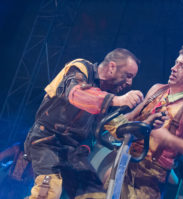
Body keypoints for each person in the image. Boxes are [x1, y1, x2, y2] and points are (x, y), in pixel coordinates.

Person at [24, 48, 149, 199]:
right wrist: (118, 100)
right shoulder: (81, 68)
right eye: (128, 76)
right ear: (112, 67)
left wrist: (145, 126)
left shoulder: (106, 94)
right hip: (47, 141)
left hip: (73, 151)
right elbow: (77, 94)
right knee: (48, 192)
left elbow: (114, 124)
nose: (130, 82)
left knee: (95, 196)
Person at [105, 45, 183, 199]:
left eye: (182, 66)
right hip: (123, 163)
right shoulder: (157, 89)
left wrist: (169, 140)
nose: (173, 68)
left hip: (148, 181)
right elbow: (130, 118)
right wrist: (108, 110)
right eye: (176, 63)